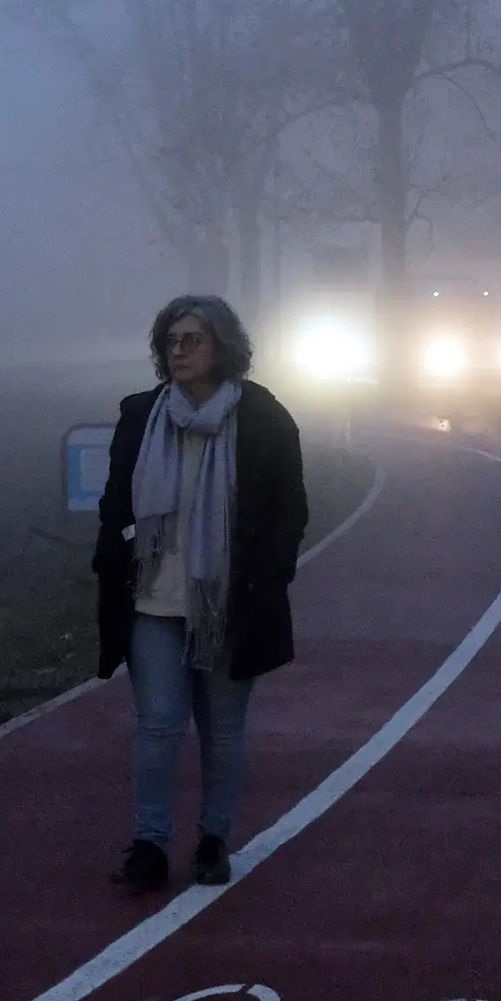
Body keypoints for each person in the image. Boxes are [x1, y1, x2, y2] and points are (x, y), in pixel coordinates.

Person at [94, 294, 308, 890]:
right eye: (172, 341)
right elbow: (116, 504)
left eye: (193, 340)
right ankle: (150, 844)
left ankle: (214, 839)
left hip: (227, 605)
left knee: (221, 729)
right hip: (153, 603)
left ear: (223, 348)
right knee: (158, 724)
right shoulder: (142, 417)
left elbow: (290, 512)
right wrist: (114, 552)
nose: (180, 351)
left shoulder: (263, 419)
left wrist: (265, 579)